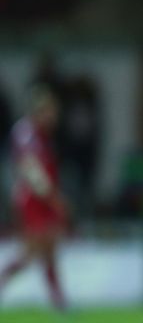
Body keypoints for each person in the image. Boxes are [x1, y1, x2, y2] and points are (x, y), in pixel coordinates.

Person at [0, 87, 69, 310]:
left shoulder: (43, 134)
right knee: (32, 252)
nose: (53, 117)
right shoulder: (26, 133)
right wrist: (52, 197)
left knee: (49, 250)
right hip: (32, 200)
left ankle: (59, 301)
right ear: (39, 111)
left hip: (43, 199)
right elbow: (31, 170)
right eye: (49, 111)